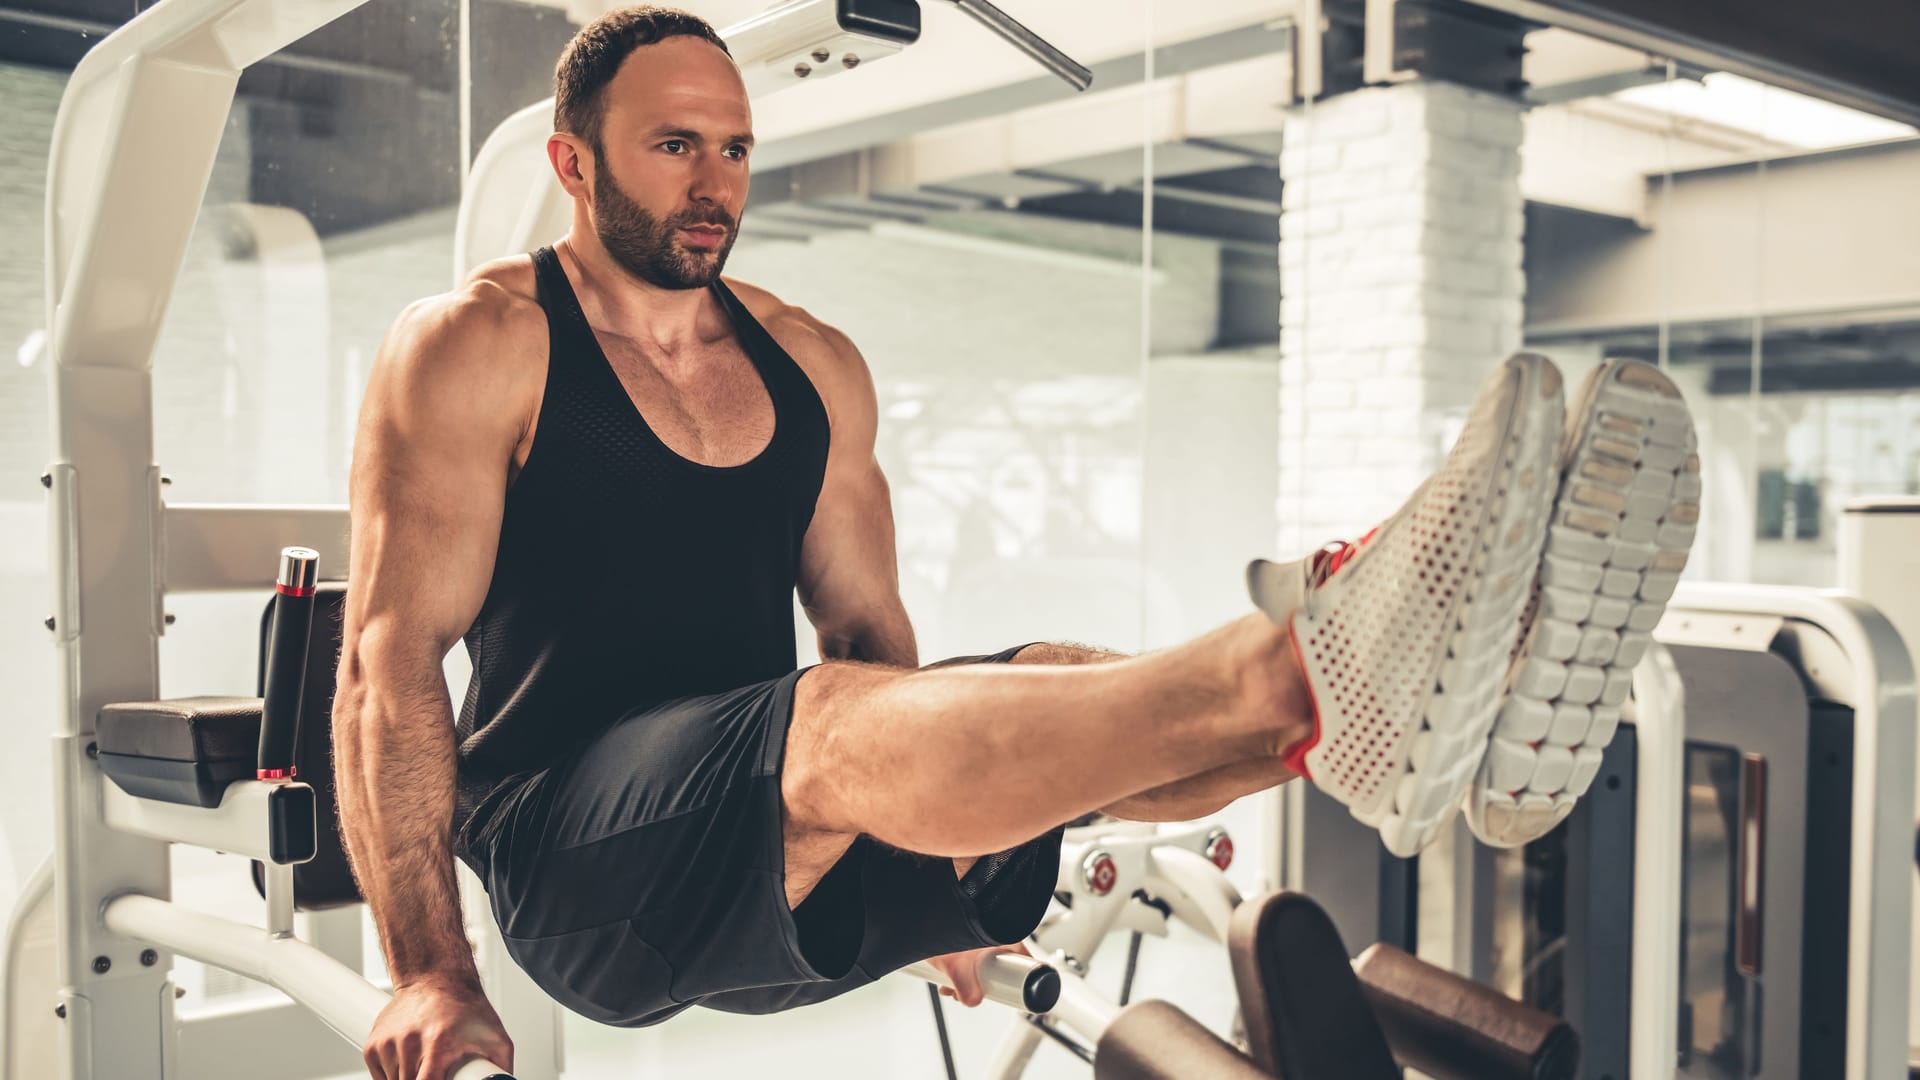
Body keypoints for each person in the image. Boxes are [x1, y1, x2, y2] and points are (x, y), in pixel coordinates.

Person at [331, 7, 1700, 1079]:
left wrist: (942, 868)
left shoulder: (809, 363)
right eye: (672, 145)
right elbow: (386, 667)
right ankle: (1309, 657)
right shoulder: (479, 348)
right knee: (824, 725)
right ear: (573, 164)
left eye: (734, 146)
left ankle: (1370, 714)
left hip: (771, 841)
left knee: (1033, 674)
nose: (714, 181)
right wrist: (429, 967)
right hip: (582, 869)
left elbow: (876, 646)